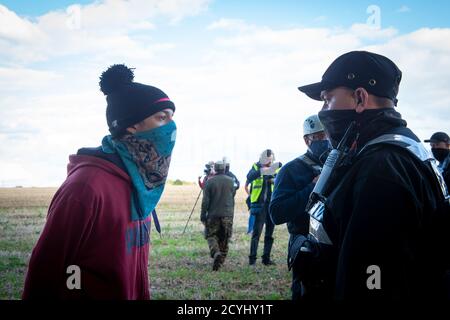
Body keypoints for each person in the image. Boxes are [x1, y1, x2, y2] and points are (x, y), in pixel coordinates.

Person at [296, 50, 450, 300]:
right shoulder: (405, 146)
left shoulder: (381, 166)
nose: (324, 111)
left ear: (359, 98)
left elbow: (373, 278)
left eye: (327, 99)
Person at [22, 64, 177, 299]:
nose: (172, 127)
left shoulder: (141, 184)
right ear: (132, 124)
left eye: (171, 118)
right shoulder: (85, 187)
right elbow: (46, 271)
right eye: (161, 117)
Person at [269, 114, 330, 300]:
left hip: (335, 247)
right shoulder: (291, 170)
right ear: (307, 140)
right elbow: (277, 213)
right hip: (307, 248)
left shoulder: (342, 165)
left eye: (328, 134)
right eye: (319, 136)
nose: (326, 140)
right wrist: (314, 187)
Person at [245, 149, 281, 266]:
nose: (269, 162)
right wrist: (263, 171)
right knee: (256, 234)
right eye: (267, 160)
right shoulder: (255, 167)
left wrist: (273, 178)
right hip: (260, 205)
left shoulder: (276, 167)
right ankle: (252, 260)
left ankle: (266, 259)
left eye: (271, 160)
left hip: (272, 205)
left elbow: (281, 178)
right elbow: (249, 176)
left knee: (269, 234)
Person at [200, 161, 236, 271]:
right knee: (225, 238)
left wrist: (203, 214)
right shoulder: (231, 182)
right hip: (228, 215)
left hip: (213, 214)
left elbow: (205, 201)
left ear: (215, 169)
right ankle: (220, 262)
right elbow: (233, 196)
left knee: (211, 236)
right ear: (224, 169)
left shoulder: (209, 182)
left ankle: (216, 253)